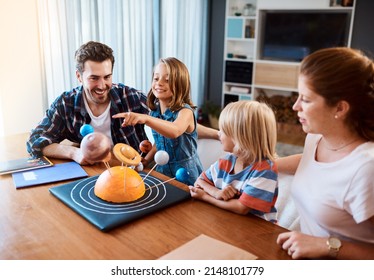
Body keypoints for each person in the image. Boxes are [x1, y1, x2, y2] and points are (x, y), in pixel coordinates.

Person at [26, 41, 218, 165]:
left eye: (107, 77)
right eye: (94, 78)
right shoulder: (66, 103)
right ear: (79, 76)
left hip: (131, 173)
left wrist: (217, 134)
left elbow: (176, 124)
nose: (102, 85)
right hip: (90, 174)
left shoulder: (131, 98)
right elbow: (35, 142)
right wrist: (74, 153)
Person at [276, 47, 374, 260]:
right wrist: (267, 164)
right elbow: (316, 166)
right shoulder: (317, 136)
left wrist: (328, 246)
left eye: (306, 99)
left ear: (339, 108)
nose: (295, 106)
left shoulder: (366, 169)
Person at [113, 57, 203, 185]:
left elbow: (175, 131)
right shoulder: (155, 112)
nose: (159, 83)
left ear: (180, 84)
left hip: (186, 175)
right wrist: (146, 160)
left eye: (167, 80)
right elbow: (161, 142)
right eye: (156, 78)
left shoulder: (185, 112)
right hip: (163, 172)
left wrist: (146, 119)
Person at [188, 100, 278, 222]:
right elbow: (200, 181)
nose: (218, 133)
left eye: (223, 130)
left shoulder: (265, 169)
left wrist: (205, 197)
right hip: (227, 222)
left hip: (255, 234)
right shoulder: (226, 161)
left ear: (240, 137)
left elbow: (241, 208)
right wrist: (216, 193)